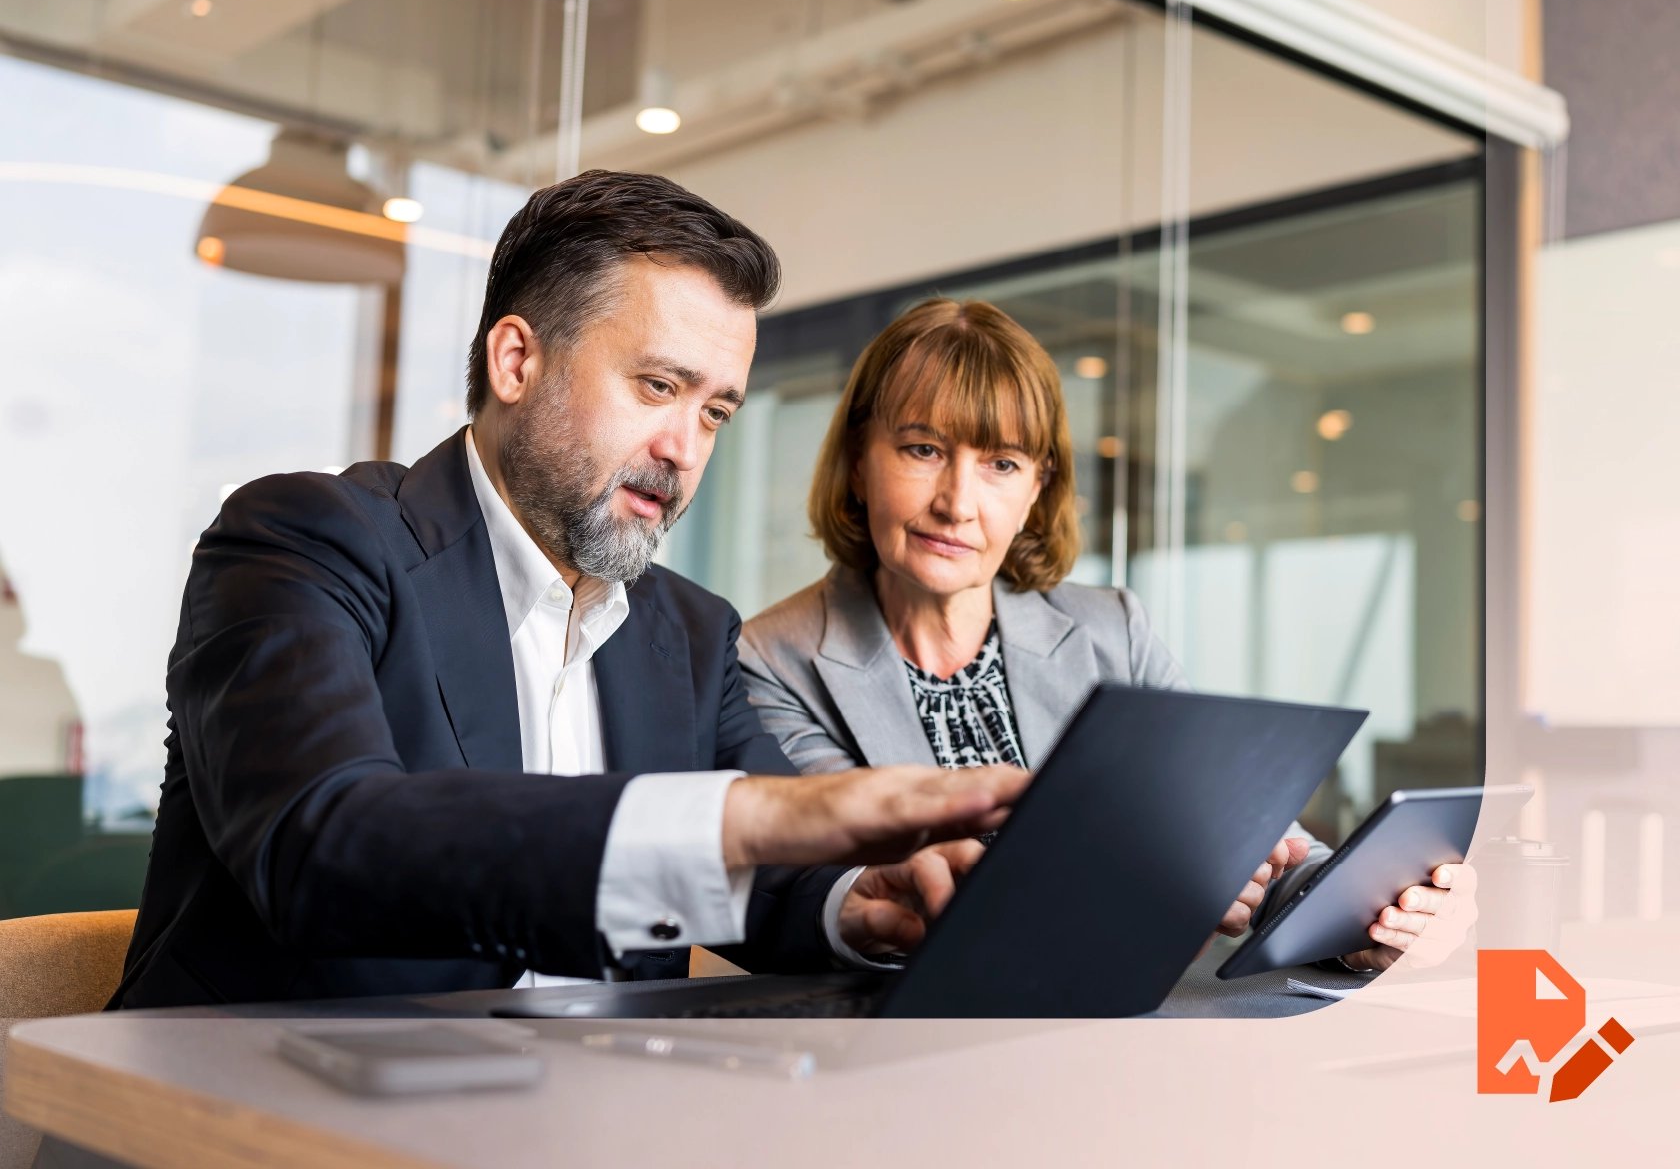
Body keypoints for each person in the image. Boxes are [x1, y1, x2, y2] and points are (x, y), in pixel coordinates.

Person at [112, 175, 1024, 1009]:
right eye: (657, 386)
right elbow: (324, 843)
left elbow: (773, 880)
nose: (685, 448)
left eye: (714, 411)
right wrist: (746, 816)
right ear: (517, 362)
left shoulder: (692, 633)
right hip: (254, 1115)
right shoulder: (306, 540)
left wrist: (857, 903)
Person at [740, 297, 1456, 972]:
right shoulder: (774, 658)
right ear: (860, 461)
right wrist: (1164, 880)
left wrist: (1369, 917)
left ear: (1036, 491)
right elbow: (834, 885)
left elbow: (1257, 843)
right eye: (923, 449)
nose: (958, 503)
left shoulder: (1113, 629)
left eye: (1002, 464)